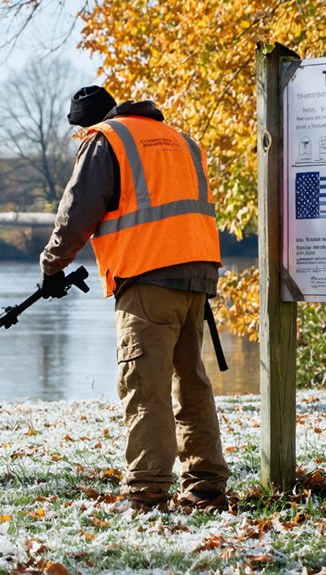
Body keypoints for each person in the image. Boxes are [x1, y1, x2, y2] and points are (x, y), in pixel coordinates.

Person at [38, 85, 230, 513]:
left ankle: (147, 492)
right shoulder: (180, 139)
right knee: (190, 381)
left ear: (89, 122)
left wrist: (52, 265)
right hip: (197, 271)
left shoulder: (106, 140)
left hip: (148, 275)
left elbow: (76, 213)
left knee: (144, 384)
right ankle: (206, 487)